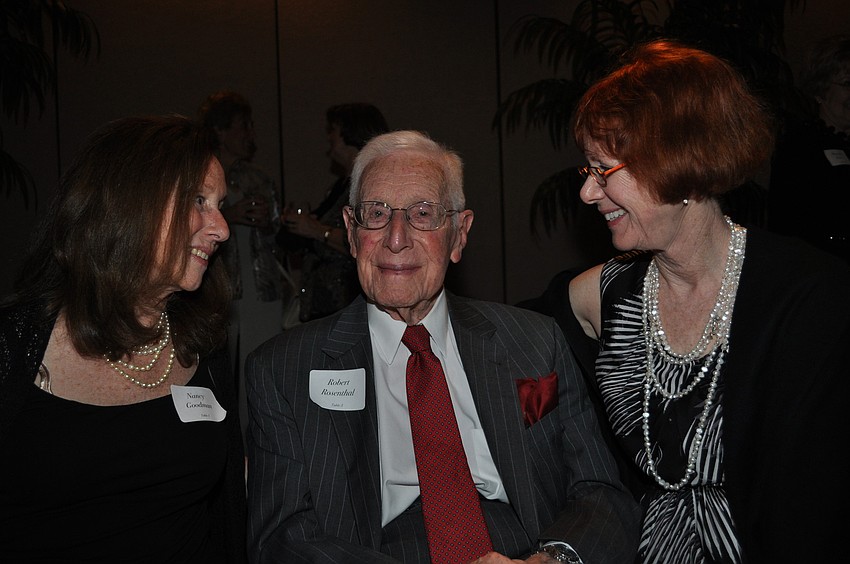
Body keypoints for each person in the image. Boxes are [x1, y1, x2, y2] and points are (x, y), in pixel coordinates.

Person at [246, 130, 640, 564]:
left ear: (459, 234)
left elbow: (600, 492)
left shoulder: (533, 343)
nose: (396, 238)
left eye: (423, 214)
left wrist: (550, 561)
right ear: (351, 231)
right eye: (376, 213)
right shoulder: (284, 370)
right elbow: (284, 537)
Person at [568, 40, 850, 562]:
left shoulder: (808, 298)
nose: (587, 193)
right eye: (587, 170)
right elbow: (503, 336)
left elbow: (814, 515)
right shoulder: (607, 293)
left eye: (603, 170)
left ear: (682, 165)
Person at [0, 115, 247, 562]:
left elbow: (225, 507)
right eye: (198, 200)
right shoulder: (12, 345)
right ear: (130, 204)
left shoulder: (203, 343)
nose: (222, 228)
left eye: (220, 203)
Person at [198, 90, 284, 434]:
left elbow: (280, 234)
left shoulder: (259, 178)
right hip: (218, 287)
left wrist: (269, 222)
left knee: (262, 370)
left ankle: (263, 441)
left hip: (261, 290)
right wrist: (229, 214)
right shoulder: (201, 173)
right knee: (219, 373)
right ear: (220, 130)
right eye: (242, 125)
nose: (250, 133)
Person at [278, 103, 389, 323]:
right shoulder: (340, 185)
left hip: (348, 305)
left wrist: (316, 230)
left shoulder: (372, 185)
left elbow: (372, 241)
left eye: (333, 130)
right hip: (324, 304)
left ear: (352, 133)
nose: (329, 137)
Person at [769, 33, 850, 262]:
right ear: (821, 91)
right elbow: (789, 222)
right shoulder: (802, 144)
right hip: (823, 267)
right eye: (847, 84)